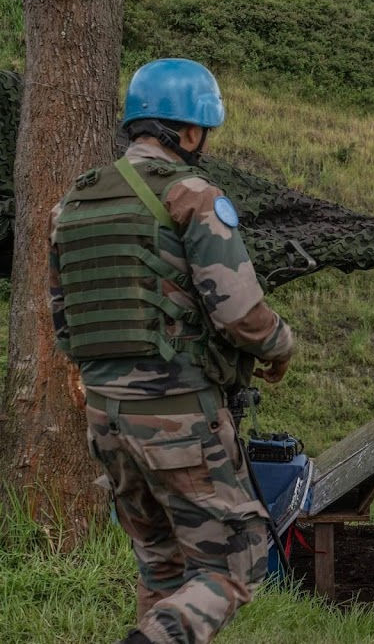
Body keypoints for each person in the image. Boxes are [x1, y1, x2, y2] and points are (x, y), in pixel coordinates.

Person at [48, 58, 294, 644]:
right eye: (202, 130)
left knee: (161, 564)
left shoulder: (71, 207)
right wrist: (282, 345)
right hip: (178, 415)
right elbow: (242, 315)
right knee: (234, 562)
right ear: (186, 130)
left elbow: (63, 326)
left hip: (106, 418)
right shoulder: (191, 195)